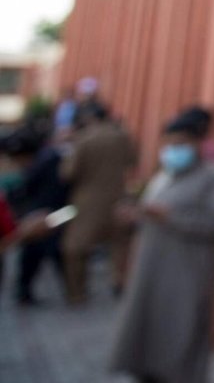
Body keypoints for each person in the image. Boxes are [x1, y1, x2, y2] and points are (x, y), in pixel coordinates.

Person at [109, 109, 214, 383]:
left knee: (181, 339)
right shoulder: (164, 176)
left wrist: (171, 217)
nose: (172, 150)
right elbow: (152, 213)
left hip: (188, 274)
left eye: (180, 143)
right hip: (151, 270)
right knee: (147, 336)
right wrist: (137, 215)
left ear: (197, 143)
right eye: (168, 144)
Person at [59, 99, 138, 303]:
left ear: (89, 118)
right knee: (120, 244)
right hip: (119, 199)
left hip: (86, 202)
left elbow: (68, 173)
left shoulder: (83, 139)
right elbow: (132, 162)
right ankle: (119, 281)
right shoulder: (122, 136)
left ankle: (77, 293)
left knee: (75, 248)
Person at [2, 127, 70, 304]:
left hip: (50, 215)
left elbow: (25, 189)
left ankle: (26, 291)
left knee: (45, 250)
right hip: (56, 213)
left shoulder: (43, 163)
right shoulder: (51, 158)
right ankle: (71, 289)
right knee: (50, 251)